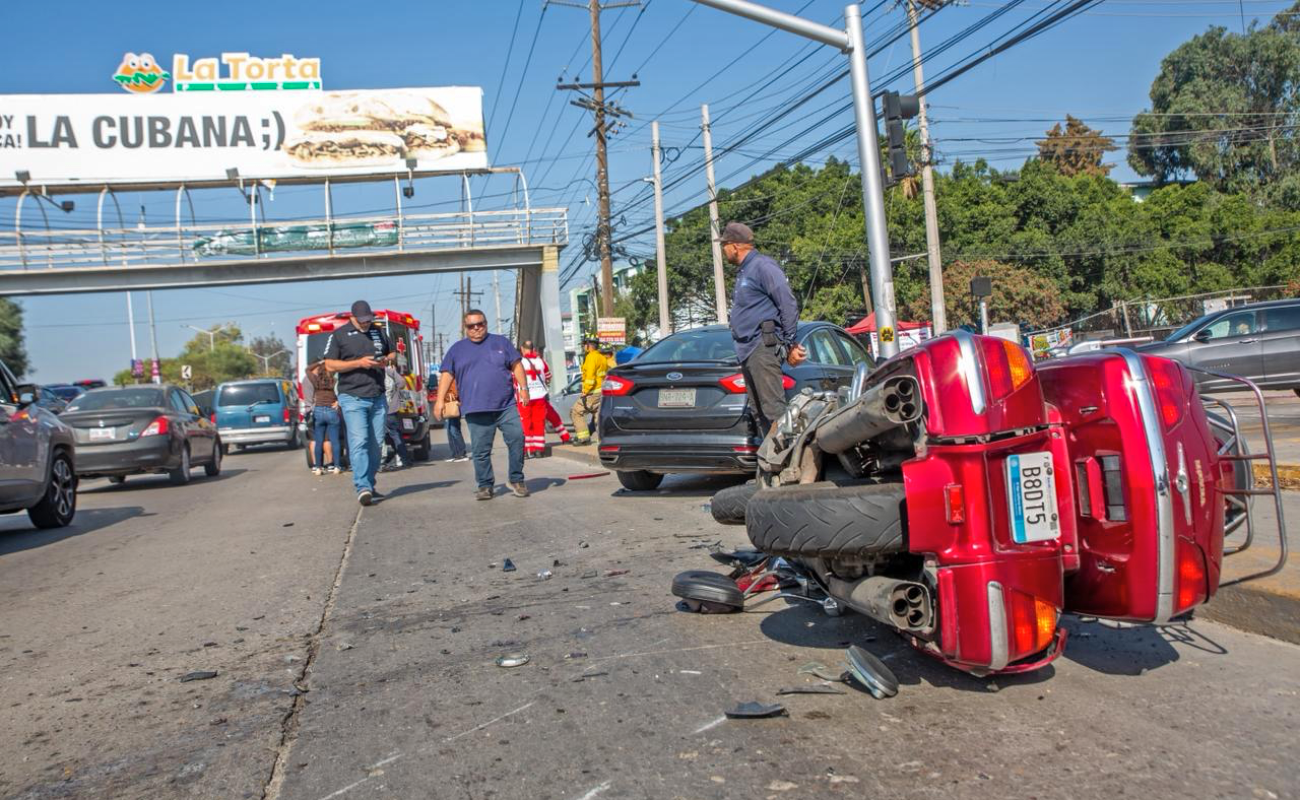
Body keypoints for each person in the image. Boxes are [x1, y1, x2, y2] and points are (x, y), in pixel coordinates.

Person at [435, 309, 530, 501]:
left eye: (481, 324)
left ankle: (516, 479)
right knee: (480, 450)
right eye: (472, 326)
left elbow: (517, 365)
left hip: (505, 405)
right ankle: (485, 485)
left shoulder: (501, 342)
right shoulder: (457, 350)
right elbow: (447, 375)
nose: (477, 328)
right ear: (465, 328)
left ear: (486, 324)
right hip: (476, 408)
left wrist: (524, 388)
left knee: (517, 438)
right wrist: (439, 401)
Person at [722, 221, 807, 435]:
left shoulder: (762, 266)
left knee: (774, 411)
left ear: (734, 246)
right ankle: (771, 461)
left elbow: (787, 303)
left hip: (762, 348)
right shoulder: (744, 271)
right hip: (748, 350)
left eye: (724, 245)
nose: (723, 251)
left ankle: (787, 462)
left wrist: (789, 344)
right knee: (759, 413)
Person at [324, 300, 395, 506]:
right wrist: (359, 363)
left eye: (368, 320)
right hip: (352, 397)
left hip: (378, 395)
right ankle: (362, 486)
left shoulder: (378, 330)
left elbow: (393, 353)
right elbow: (329, 365)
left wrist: (387, 359)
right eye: (362, 321)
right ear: (352, 317)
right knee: (359, 442)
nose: (365, 324)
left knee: (376, 445)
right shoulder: (339, 335)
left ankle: (370, 485)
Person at [518, 340, 559, 458]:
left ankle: (526, 450)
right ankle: (539, 450)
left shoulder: (519, 362)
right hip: (540, 396)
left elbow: (514, 380)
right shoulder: (541, 361)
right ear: (532, 348)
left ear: (522, 349)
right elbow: (548, 377)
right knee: (538, 423)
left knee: (525, 424)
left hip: (525, 397)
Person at [304, 360, 341, 476]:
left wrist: (320, 362)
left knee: (319, 441)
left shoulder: (316, 381)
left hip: (319, 411)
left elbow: (307, 369)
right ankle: (336, 467)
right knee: (334, 441)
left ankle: (318, 468)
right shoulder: (334, 381)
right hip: (331, 410)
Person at [570, 338, 607, 446]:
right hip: (601, 391)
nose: (583, 347)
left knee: (576, 411)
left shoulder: (591, 357)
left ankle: (584, 438)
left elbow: (590, 377)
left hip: (592, 392)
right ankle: (604, 440)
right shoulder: (602, 357)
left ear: (588, 345)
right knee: (598, 415)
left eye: (584, 344)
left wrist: (585, 391)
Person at [382, 363, 410, 470]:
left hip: (380, 409)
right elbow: (402, 382)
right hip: (391, 408)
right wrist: (395, 390)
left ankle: (385, 460)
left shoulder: (372, 371)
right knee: (395, 434)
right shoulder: (389, 371)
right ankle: (404, 459)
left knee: (384, 435)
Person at [439, 373, 470, 462]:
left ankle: (462, 453)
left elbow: (455, 392)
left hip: (453, 405)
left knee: (454, 430)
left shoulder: (453, 378)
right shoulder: (449, 378)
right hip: (449, 405)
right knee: (450, 430)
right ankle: (455, 454)